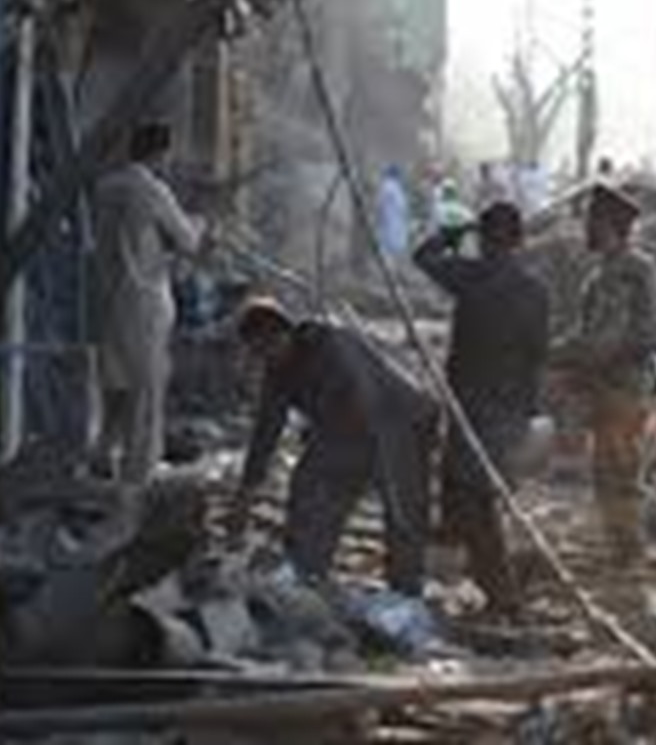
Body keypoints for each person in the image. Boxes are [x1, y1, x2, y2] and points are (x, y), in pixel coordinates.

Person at [228, 300, 436, 598]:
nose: (267, 357)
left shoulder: (332, 344)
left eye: (269, 347)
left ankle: (406, 592)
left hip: (397, 418)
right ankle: (306, 571)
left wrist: (322, 442)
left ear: (285, 333)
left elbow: (361, 397)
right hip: (347, 429)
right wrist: (247, 491)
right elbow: (266, 430)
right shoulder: (277, 371)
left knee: (402, 509)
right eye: (258, 353)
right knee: (308, 488)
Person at [413, 202, 549, 616]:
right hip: (506, 408)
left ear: (485, 239)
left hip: (470, 405)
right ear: (519, 241)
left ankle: (500, 592)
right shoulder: (534, 289)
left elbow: (423, 256)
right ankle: (478, 583)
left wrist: (453, 234)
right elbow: (537, 355)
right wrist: (528, 410)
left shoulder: (472, 275)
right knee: (475, 495)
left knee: (471, 498)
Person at [552, 183, 656, 564]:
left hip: (622, 386)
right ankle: (621, 548)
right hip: (607, 385)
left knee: (620, 470)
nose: (586, 229)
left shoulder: (631, 271)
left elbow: (610, 339)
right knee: (606, 470)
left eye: (591, 221)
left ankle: (629, 552)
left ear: (609, 225)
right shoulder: (603, 273)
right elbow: (589, 333)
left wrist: (561, 355)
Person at [93, 122, 205, 483]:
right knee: (146, 389)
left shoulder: (105, 187)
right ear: (160, 154)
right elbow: (188, 241)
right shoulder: (153, 190)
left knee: (114, 386)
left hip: (106, 298)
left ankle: (102, 456)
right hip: (144, 300)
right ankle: (137, 472)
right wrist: (201, 225)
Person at [377, 164, 411, 261]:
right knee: (393, 243)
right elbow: (403, 207)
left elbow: (380, 204)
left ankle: (389, 262)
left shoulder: (388, 186)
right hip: (393, 220)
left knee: (388, 243)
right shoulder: (394, 187)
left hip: (390, 220)